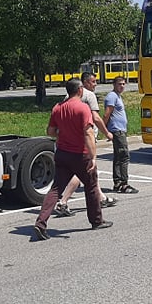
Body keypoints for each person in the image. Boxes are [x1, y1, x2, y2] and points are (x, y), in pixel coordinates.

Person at [33, 78, 113, 240]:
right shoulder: (83, 108)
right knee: (91, 187)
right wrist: (93, 157)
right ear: (80, 90)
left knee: (56, 189)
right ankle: (97, 220)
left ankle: (41, 222)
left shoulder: (58, 108)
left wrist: (62, 133)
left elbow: (50, 131)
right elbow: (88, 133)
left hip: (62, 153)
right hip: (80, 154)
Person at [54, 72, 118, 216]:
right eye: (93, 82)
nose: (95, 84)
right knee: (84, 170)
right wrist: (107, 132)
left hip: (66, 142)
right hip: (83, 142)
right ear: (83, 85)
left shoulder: (67, 98)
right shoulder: (89, 96)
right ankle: (63, 202)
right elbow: (95, 117)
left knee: (91, 171)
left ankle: (100, 198)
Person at [103, 76, 138, 193]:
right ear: (114, 84)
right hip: (117, 131)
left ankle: (117, 182)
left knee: (118, 157)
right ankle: (123, 183)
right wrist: (105, 130)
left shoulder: (117, 96)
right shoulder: (112, 96)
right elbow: (106, 114)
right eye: (119, 84)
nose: (122, 86)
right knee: (124, 156)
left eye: (123, 84)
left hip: (120, 130)